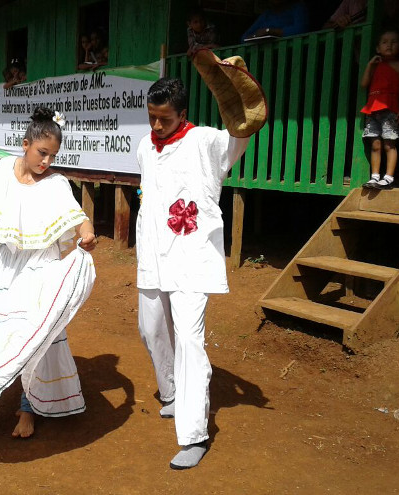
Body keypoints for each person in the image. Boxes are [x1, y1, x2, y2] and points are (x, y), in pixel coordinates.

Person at [134, 50, 265, 469]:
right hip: (153, 255)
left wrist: (235, 81)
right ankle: (172, 392)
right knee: (150, 328)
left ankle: (193, 435)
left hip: (191, 258)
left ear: (183, 114)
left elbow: (244, 126)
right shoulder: (144, 147)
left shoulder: (208, 141)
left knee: (189, 341)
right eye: (151, 117)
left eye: (165, 119)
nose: (156, 126)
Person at [0, 106, 97, 439]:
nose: (46, 161)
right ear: (26, 145)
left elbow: (78, 215)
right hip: (5, 268)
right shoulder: (4, 170)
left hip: (39, 268)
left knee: (32, 335)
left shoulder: (56, 184)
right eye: (42, 153)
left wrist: (88, 232)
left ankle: (28, 409)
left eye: (52, 156)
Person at [359, 28, 399, 190]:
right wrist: (369, 65)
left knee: (389, 144)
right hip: (373, 110)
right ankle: (374, 176)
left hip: (390, 110)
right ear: (377, 48)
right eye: (384, 42)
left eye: (394, 42)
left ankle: (388, 177)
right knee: (375, 144)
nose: (389, 45)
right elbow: (364, 84)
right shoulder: (375, 66)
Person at [241, 0, 309, 41]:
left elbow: (300, 30)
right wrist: (255, 36)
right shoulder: (267, 14)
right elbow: (244, 38)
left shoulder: (298, 8)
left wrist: (270, 31)